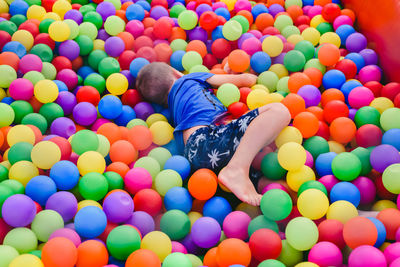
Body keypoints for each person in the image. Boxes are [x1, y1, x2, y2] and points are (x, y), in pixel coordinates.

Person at [136, 62, 291, 206]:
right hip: (206, 139)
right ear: (177, 73)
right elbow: (247, 80)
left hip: (197, 160)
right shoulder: (189, 79)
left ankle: (248, 180)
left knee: (268, 180)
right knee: (279, 111)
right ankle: (236, 169)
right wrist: (239, 73)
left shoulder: (175, 108)